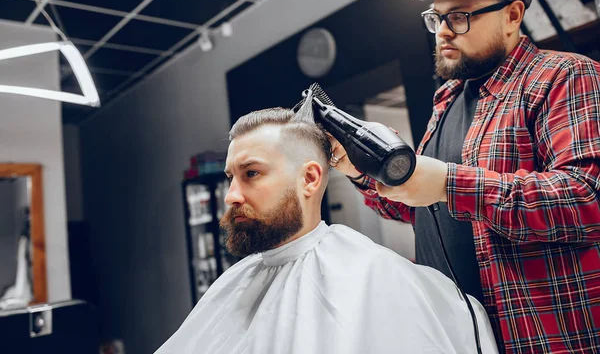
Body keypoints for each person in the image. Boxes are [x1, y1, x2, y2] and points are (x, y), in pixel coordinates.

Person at [329, 0, 600, 353]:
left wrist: (447, 183)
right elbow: (421, 210)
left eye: (458, 17)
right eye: (436, 18)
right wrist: (361, 171)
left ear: (512, 15)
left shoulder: (563, 76)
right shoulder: (448, 99)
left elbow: (585, 199)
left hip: (541, 336)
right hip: (457, 334)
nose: (442, 31)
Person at [155, 108, 498, 354]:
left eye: (252, 174)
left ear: (310, 178)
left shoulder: (373, 276)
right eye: (232, 177)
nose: (232, 195)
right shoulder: (233, 284)